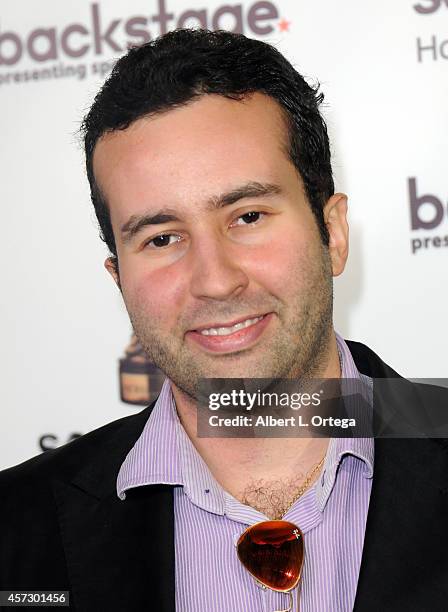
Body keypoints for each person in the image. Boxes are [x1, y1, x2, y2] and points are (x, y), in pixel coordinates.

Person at [1, 28, 447, 612]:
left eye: (248, 215)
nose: (214, 280)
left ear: (332, 233)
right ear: (119, 279)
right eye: (162, 238)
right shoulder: (14, 533)